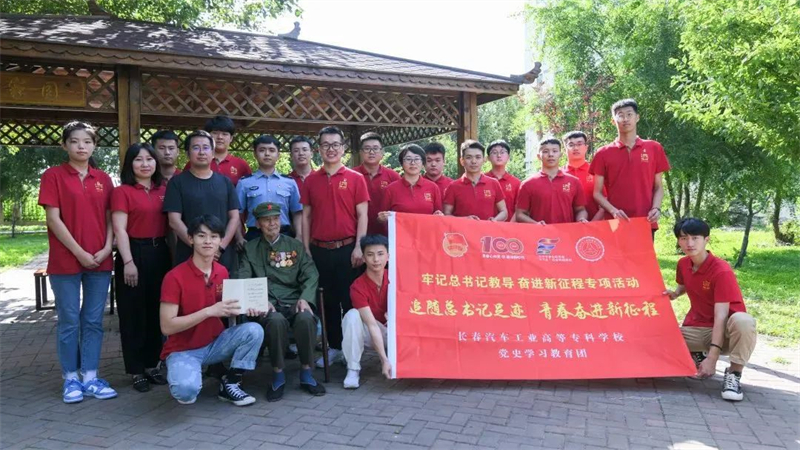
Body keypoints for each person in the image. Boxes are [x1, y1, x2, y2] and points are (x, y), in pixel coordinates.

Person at [38, 121, 117, 403]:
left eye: (87, 141)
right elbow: (53, 219)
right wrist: (79, 252)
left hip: (100, 261)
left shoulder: (104, 179)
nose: (81, 146)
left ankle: (90, 377)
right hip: (65, 262)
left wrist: (107, 248)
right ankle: (71, 379)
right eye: (74, 141)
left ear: (94, 145)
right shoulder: (53, 176)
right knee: (69, 321)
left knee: (93, 321)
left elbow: (111, 218)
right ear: (64, 145)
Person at [160, 215, 265, 406]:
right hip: (183, 349)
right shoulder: (174, 277)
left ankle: (230, 383)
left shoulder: (222, 271)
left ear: (220, 240)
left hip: (215, 343)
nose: (208, 241)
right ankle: (188, 375)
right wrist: (209, 311)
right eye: (201, 236)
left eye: (214, 236)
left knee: (254, 330)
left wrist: (243, 309)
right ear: (191, 239)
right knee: (186, 392)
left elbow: (224, 309)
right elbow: (167, 326)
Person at [238, 202, 324, 401]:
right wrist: (259, 300)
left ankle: (306, 373)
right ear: (257, 224)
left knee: (306, 319)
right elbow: (243, 277)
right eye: (267, 220)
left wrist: (305, 298)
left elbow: (311, 274)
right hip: (266, 307)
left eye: (276, 219)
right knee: (276, 321)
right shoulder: (250, 249)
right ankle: (278, 375)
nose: (272, 223)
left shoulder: (295, 246)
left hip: (293, 302)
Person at [664, 218, 757, 402]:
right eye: (684, 238)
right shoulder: (683, 264)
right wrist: (675, 294)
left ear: (706, 239)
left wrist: (714, 358)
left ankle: (734, 374)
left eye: (695, 238)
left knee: (744, 321)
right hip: (698, 328)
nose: (689, 243)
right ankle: (698, 355)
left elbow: (721, 315)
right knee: (659, 338)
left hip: (728, 332)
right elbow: (684, 284)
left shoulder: (721, 271)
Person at [300, 125, 369, 367]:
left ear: (343, 148)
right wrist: (305, 248)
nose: (331, 149)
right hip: (319, 250)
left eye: (335, 144)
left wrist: (359, 246)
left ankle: (353, 351)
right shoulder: (311, 180)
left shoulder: (356, 178)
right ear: (319, 149)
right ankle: (335, 347)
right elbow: (306, 216)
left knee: (349, 301)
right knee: (326, 302)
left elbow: (362, 215)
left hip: (348, 249)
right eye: (326, 145)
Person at [111, 143, 170, 393]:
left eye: (149, 159)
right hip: (133, 252)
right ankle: (136, 370)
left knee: (157, 311)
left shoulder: (164, 190)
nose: (145, 164)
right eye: (138, 159)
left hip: (160, 253)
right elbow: (120, 229)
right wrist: (128, 262)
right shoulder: (122, 192)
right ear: (130, 164)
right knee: (133, 313)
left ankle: (152, 365)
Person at [589, 99, 670, 238]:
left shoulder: (654, 148)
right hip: (615, 222)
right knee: (615, 253)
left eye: (629, 114)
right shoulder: (603, 153)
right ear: (613, 121)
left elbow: (658, 187)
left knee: (643, 254)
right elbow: (597, 193)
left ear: (637, 117)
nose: (625, 119)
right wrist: (613, 211)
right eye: (620, 115)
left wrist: (656, 208)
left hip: (645, 220)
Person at [164, 130, 241, 276]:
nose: (201, 152)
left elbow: (234, 217)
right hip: (189, 253)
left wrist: (219, 247)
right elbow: (174, 221)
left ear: (212, 153)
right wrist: (198, 246)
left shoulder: (225, 182)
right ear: (187, 153)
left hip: (222, 254)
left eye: (206, 148)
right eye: (195, 147)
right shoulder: (177, 183)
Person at [341, 235, 392, 389]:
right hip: (373, 332)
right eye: (370, 255)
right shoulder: (358, 286)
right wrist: (384, 360)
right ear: (363, 258)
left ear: (388, 256)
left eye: (380, 254)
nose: (376, 259)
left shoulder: (397, 278)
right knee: (352, 316)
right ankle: (353, 369)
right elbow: (371, 325)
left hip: (396, 332)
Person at [237, 135, 302, 241]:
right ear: (255, 154)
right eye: (262, 150)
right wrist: (239, 237)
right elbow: (237, 214)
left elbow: (297, 212)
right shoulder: (244, 183)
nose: (267, 154)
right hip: (255, 237)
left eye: (272, 150)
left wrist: (299, 235)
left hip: (284, 236)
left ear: (278, 155)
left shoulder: (289, 182)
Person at [516, 138, 589, 224]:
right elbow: (520, 214)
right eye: (545, 151)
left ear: (560, 154)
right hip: (540, 232)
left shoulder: (574, 182)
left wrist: (581, 219)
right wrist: (536, 224)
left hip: (567, 231)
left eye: (555, 151)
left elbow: (581, 210)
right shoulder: (528, 184)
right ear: (539, 156)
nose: (550, 154)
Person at [442, 140, 507, 221]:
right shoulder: (453, 186)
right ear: (462, 161)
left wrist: (495, 220)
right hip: (462, 229)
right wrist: (465, 220)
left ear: (484, 160)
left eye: (478, 157)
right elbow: (446, 214)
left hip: (488, 229)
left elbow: (504, 212)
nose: (473, 161)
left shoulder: (494, 183)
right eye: (469, 157)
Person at [378, 144, 443, 224]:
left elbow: (438, 216)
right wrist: (381, 218)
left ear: (423, 163)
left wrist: (440, 216)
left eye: (417, 159)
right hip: (400, 232)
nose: (413, 163)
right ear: (402, 163)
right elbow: (381, 220)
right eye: (408, 159)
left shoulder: (433, 187)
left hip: (426, 231)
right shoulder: (390, 189)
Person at [182, 115, 252, 186]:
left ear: (231, 138)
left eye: (224, 134)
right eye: (215, 133)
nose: (220, 137)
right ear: (208, 136)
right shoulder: (194, 163)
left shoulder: (241, 165)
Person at [354, 132, 401, 236]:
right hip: (356, 233)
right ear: (361, 152)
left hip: (386, 234)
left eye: (375, 148)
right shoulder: (352, 175)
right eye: (367, 148)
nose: (371, 152)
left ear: (382, 152)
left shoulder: (393, 176)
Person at [562, 131, 605, 221]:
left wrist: (592, 224)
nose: (576, 148)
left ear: (586, 147)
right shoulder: (559, 175)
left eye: (579, 144)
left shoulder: (597, 172)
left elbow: (605, 201)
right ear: (564, 149)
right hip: (565, 226)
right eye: (571, 145)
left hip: (596, 224)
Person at [485, 140, 521, 222]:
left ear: (508, 157)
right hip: (484, 226)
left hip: (509, 227)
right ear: (488, 158)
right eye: (494, 152)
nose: (499, 155)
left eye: (502, 152)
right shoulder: (482, 180)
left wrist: (510, 226)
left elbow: (519, 210)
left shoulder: (516, 183)